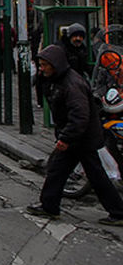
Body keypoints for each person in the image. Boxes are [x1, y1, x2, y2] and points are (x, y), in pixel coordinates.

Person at [26, 45, 123, 225]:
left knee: (94, 174)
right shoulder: (58, 80)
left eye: (45, 65)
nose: (42, 68)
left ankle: (118, 212)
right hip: (76, 136)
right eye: (40, 65)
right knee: (59, 170)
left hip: (81, 138)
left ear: (55, 64)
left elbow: (80, 116)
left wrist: (66, 138)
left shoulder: (72, 84)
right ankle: (49, 205)